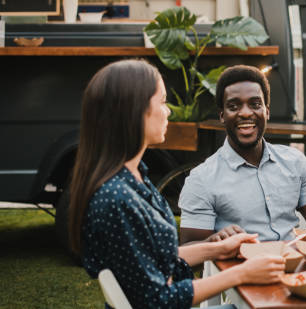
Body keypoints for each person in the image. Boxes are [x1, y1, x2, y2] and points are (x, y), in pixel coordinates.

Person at [68, 59, 285, 309]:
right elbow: (159, 301)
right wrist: (241, 274)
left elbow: (155, 257)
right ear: (134, 111)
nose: (168, 111)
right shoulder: (117, 199)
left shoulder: (133, 178)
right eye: (161, 101)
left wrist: (219, 249)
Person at [179, 65, 306, 244]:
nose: (246, 113)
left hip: (295, 267)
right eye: (234, 106)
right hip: (241, 269)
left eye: (255, 104)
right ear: (222, 116)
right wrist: (216, 241)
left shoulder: (294, 162)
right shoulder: (202, 180)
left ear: (267, 111)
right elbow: (187, 250)